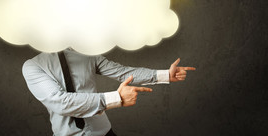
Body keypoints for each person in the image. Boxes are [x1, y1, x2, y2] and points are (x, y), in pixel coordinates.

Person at [22, 48, 195, 136]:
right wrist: (117, 98)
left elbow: (123, 72)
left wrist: (165, 74)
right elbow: (60, 101)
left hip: (104, 133)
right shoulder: (32, 66)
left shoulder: (85, 53)